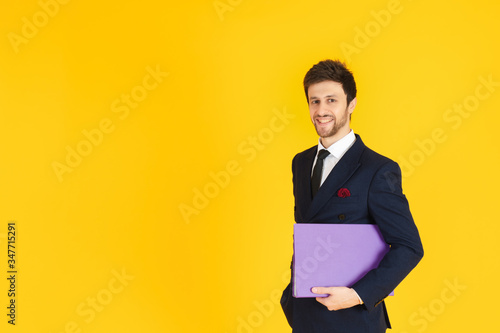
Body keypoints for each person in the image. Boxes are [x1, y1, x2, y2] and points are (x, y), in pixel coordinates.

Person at [280, 59, 424, 333]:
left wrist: (358, 294)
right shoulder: (300, 162)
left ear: (351, 104)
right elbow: (308, 231)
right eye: (315, 101)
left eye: (331, 100)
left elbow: (409, 247)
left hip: (354, 319)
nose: (321, 110)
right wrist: (290, 296)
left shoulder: (378, 169)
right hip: (304, 316)